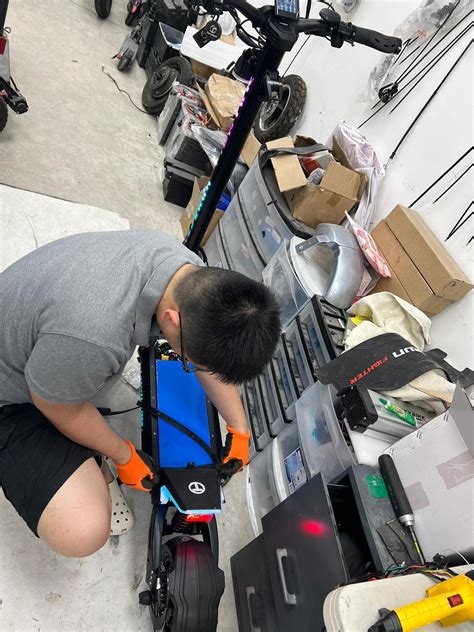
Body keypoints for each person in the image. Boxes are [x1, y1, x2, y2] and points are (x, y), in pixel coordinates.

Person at [0, 230, 281, 558]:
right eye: (190, 361)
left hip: (47, 351)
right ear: (171, 320)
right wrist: (123, 455)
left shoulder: (185, 272)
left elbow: (206, 350)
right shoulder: (93, 334)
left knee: (76, 377)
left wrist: (239, 427)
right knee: (81, 531)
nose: (190, 365)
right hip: (13, 397)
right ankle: (91, 465)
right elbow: (57, 405)